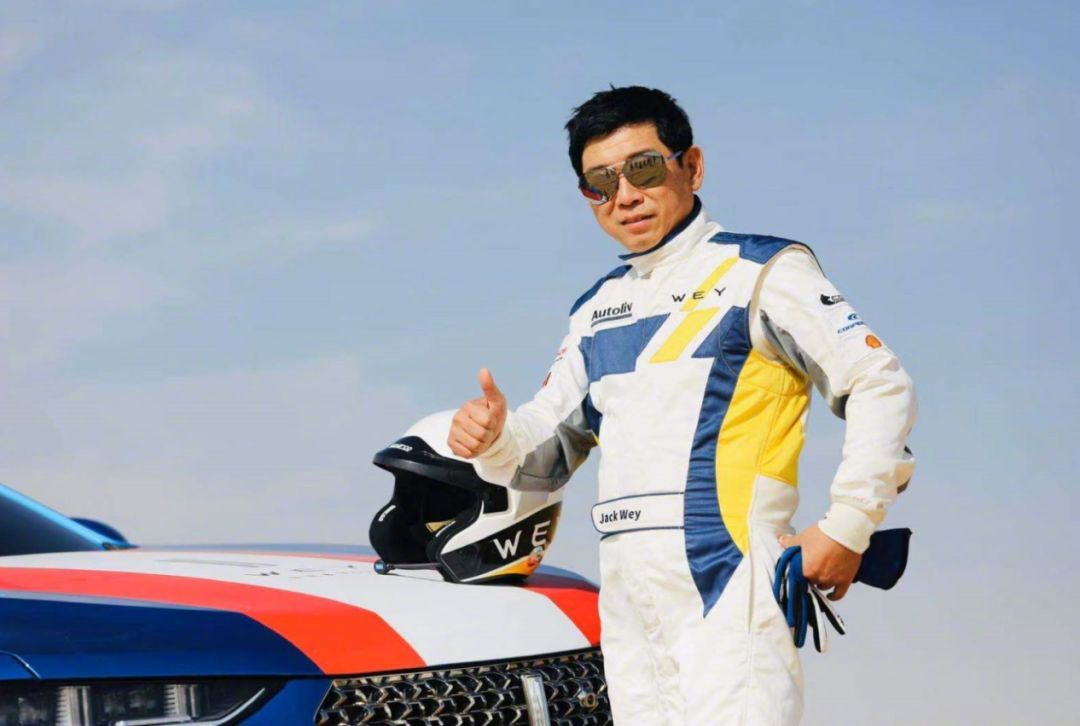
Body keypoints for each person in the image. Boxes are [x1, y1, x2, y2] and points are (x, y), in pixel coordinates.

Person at [447, 86, 916, 725]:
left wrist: (848, 525)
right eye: (600, 183)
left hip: (730, 586)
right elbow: (544, 453)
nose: (625, 196)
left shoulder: (763, 271)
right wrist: (494, 437)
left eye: (643, 169)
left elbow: (880, 382)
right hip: (628, 603)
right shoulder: (595, 309)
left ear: (691, 166)